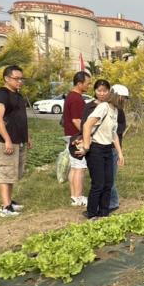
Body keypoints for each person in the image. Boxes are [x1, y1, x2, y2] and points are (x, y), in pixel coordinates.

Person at [79, 79, 124, 219]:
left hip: (107, 149)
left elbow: (114, 133)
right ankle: (91, 213)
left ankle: (104, 212)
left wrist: (120, 153)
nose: (124, 101)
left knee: (108, 183)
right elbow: (87, 125)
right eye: (123, 98)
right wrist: (86, 146)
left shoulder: (115, 110)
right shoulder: (103, 107)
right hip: (96, 149)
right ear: (116, 96)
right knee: (98, 183)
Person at [0, 65, 30, 218]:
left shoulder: (18, 95)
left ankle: (10, 201)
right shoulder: (2, 94)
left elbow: (21, 119)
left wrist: (27, 137)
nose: (20, 81)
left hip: (18, 140)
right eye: (16, 78)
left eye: (22, 78)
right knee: (5, 172)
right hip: (6, 141)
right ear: (7, 79)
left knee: (12, 172)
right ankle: (5, 207)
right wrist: (7, 139)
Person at [61, 70, 89, 207]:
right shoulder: (77, 99)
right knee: (80, 168)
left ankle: (74, 196)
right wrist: (86, 136)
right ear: (79, 83)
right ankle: (78, 197)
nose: (89, 86)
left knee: (74, 167)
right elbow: (76, 120)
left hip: (69, 136)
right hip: (76, 137)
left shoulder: (70, 96)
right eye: (87, 83)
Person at [107, 83, 129, 211]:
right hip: (104, 146)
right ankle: (109, 202)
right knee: (106, 177)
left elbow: (121, 127)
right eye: (123, 98)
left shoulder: (118, 111)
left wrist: (112, 130)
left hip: (114, 147)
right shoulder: (107, 108)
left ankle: (113, 203)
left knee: (111, 177)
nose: (124, 101)